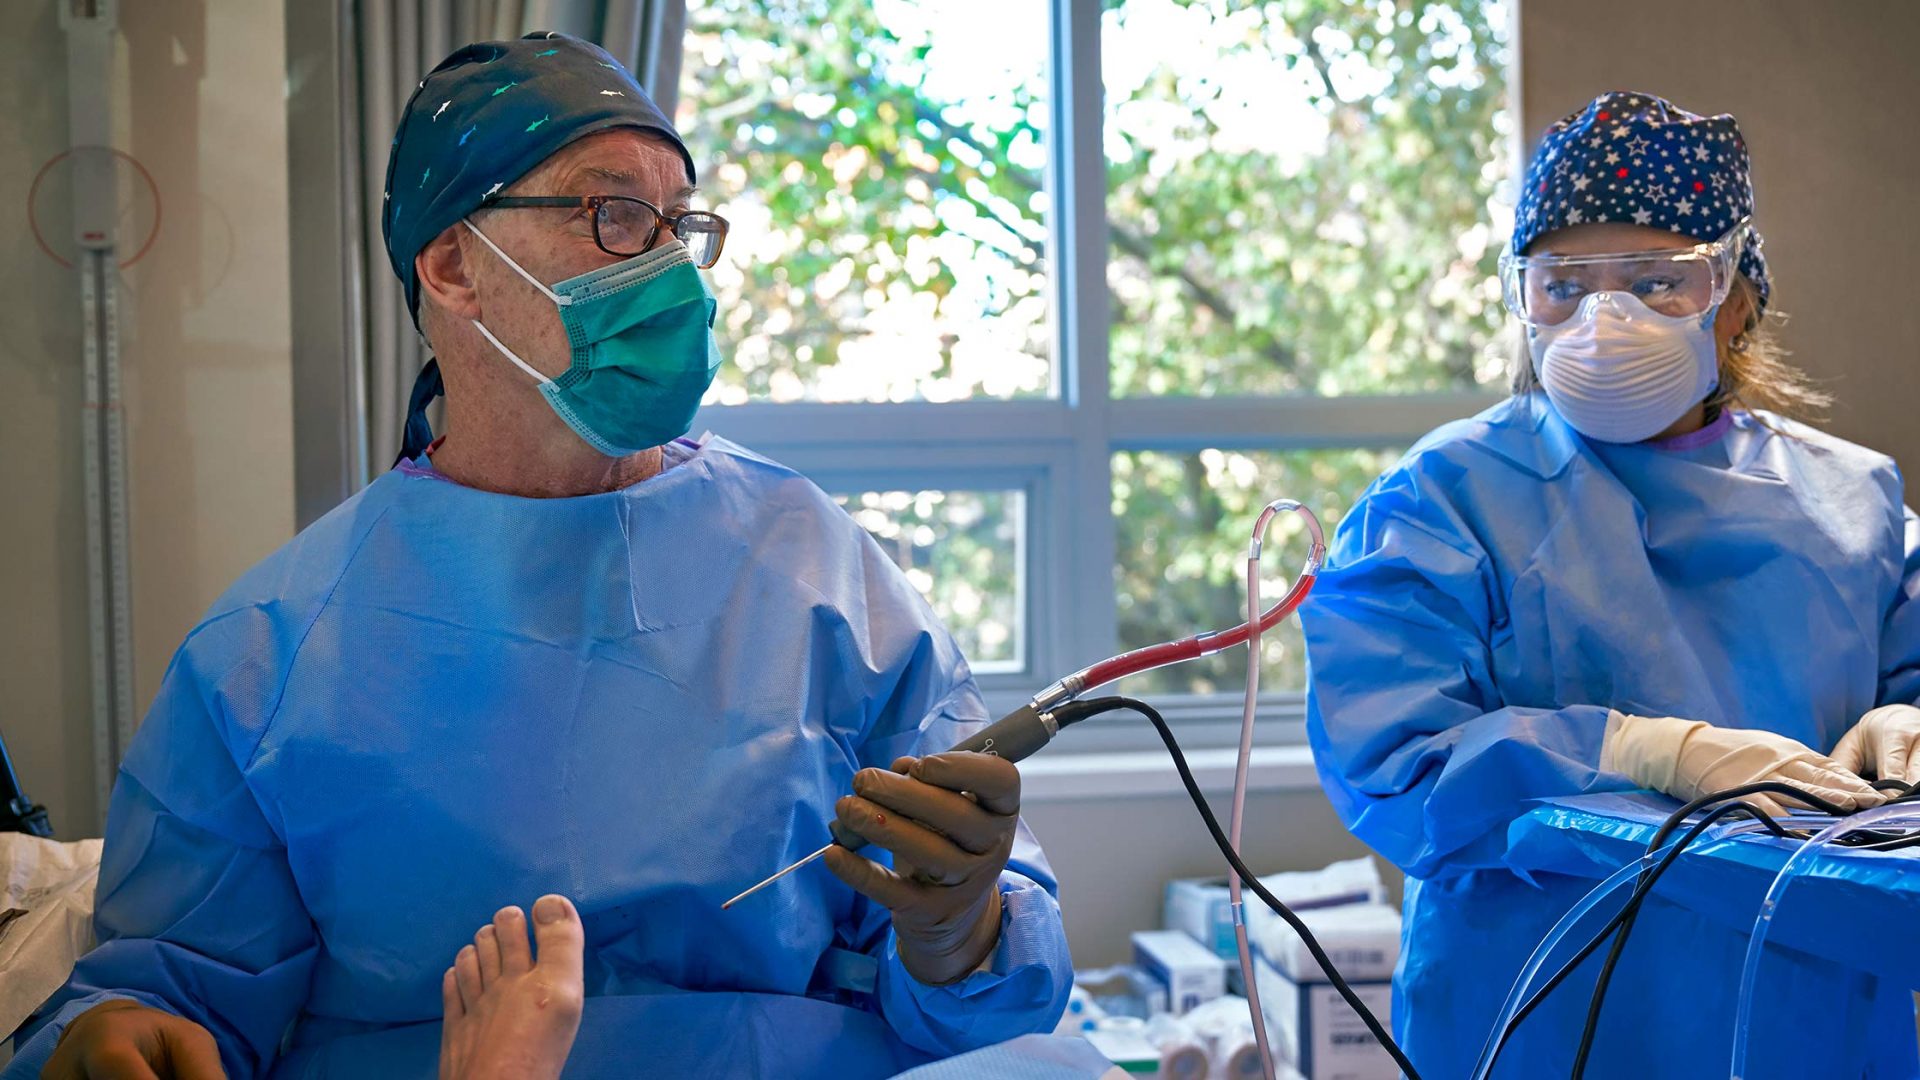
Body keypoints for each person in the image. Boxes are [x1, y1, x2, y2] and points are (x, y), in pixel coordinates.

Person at [7, 33, 1071, 1080]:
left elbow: (980, 972)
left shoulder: (818, 572)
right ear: (455, 264)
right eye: (614, 216)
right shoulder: (271, 654)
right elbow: (179, 985)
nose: (667, 270)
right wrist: (126, 1030)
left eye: (677, 227)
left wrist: (955, 935)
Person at [1300, 90, 1920, 1077]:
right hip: (1535, 1021)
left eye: (1657, 281)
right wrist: (1641, 752)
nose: (1605, 318)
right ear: (1522, 296)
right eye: (1564, 284)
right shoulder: (1438, 503)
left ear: (1740, 296)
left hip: (1811, 1024)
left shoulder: (1855, 501)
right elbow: (1393, 763)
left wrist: (1906, 724)